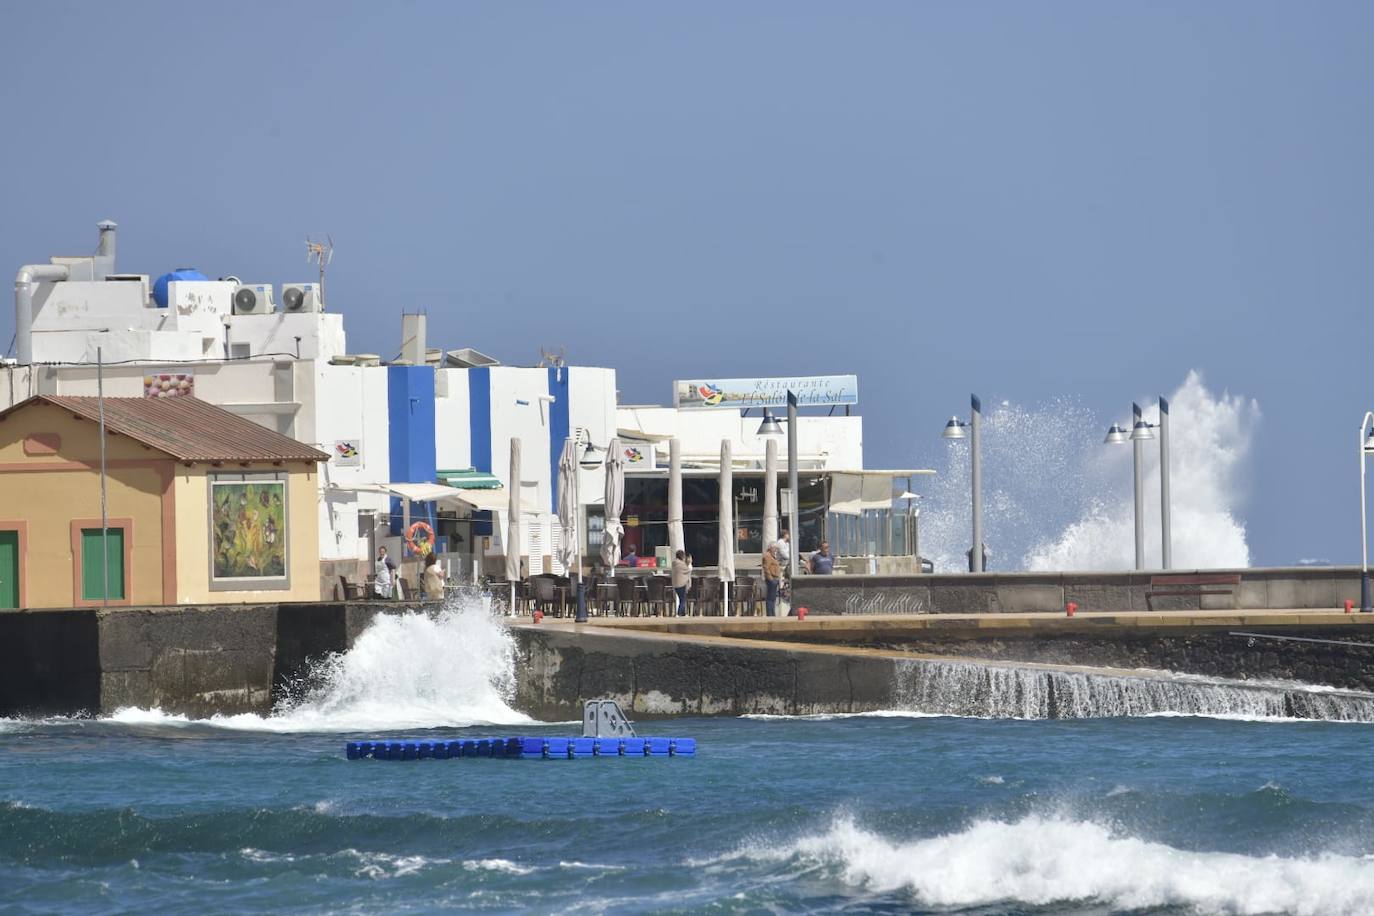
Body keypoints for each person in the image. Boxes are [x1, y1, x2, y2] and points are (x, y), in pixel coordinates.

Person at [761, 543, 782, 617]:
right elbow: (766, 568)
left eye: (776, 548)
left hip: (775, 578)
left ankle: (772, 613)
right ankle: (770, 614)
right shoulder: (767, 556)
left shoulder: (772, 556)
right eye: (775, 548)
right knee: (770, 598)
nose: (776, 550)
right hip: (771, 579)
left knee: (773, 598)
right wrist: (770, 579)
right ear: (770, 548)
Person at [671, 549, 692, 616]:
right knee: (683, 599)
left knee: (681, 598)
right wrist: (689, 563)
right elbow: (688, 570)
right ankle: (679, 613)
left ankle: (683, 613)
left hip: (675, 584)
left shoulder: (674, 563)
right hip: (682, 584)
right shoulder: (681, 564)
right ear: (682, 556)